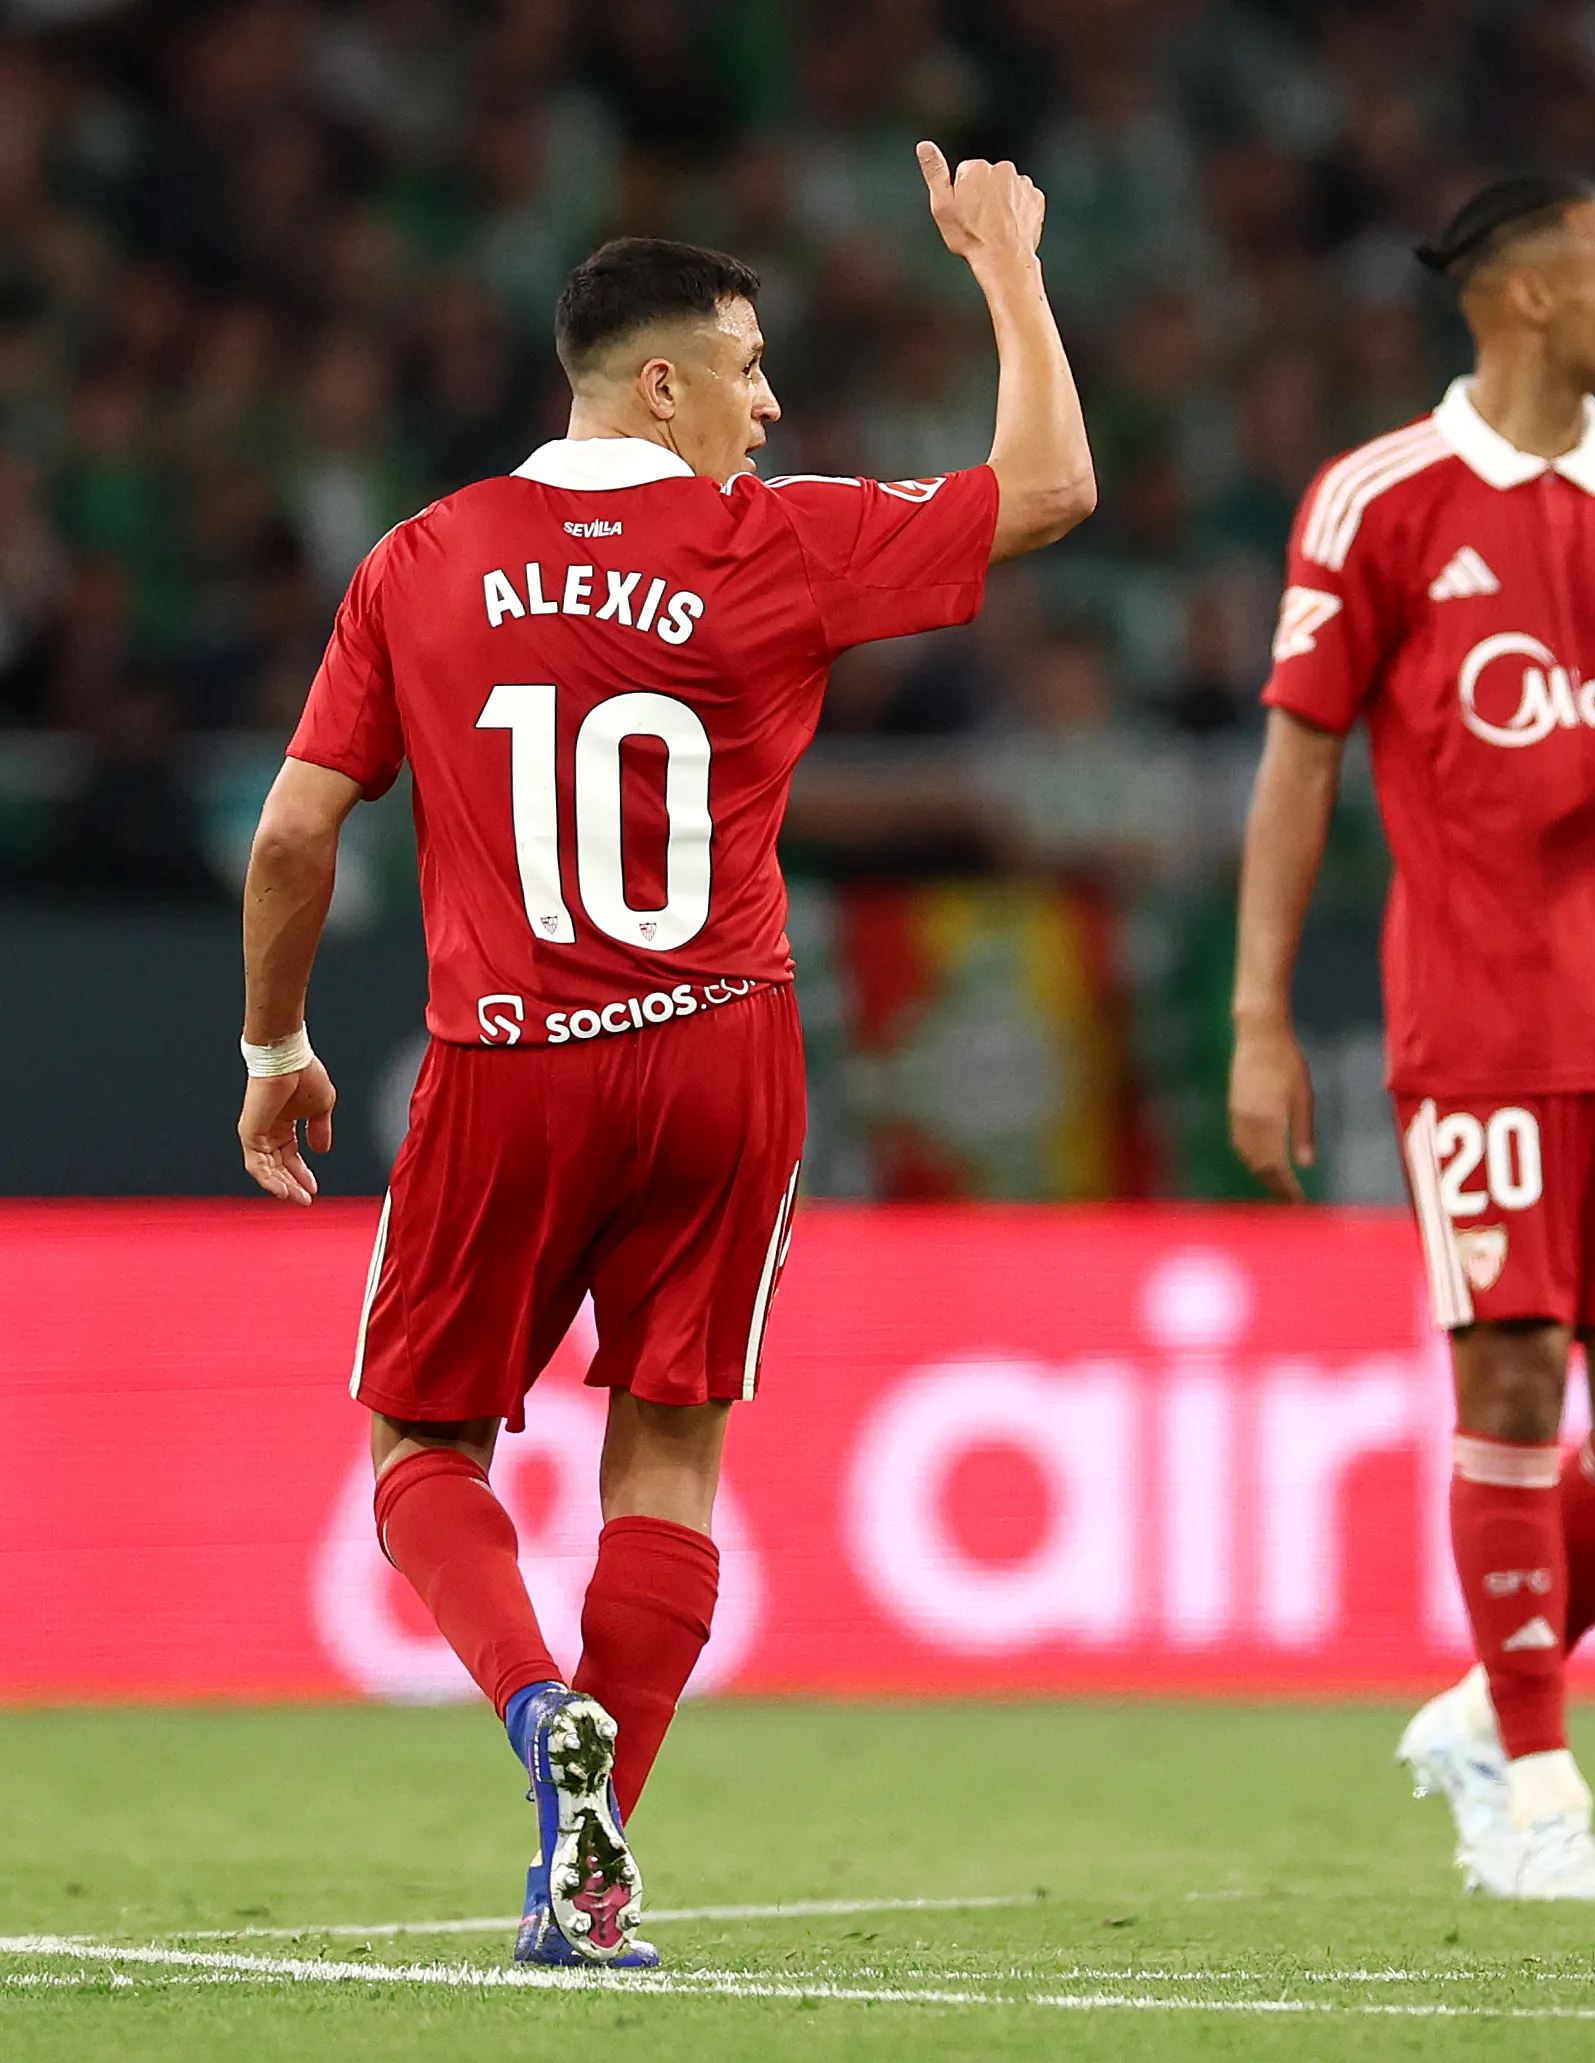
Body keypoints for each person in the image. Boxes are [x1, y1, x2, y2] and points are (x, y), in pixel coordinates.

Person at [233, 151, 1092, 1970]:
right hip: (722, 1059)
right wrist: (1006, 266)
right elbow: (1051, 488)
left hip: (507, 1059)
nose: (771, 404)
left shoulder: (419, 556)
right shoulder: (766, 539)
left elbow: (297, 837)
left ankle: (539, 1709)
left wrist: (276, 1041)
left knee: (419, 1442)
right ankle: (596, 1859)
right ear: (656, 384)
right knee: (669, 1458)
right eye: (749, 366)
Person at [1227, 172, 1595, 1901]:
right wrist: (1258, 1015)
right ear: (1527, 296)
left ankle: (1489, 1699)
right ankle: (1540, 1790)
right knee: (1502, 1371)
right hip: (1474, 1018)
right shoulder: (1376, 500)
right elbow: (1298, 758)